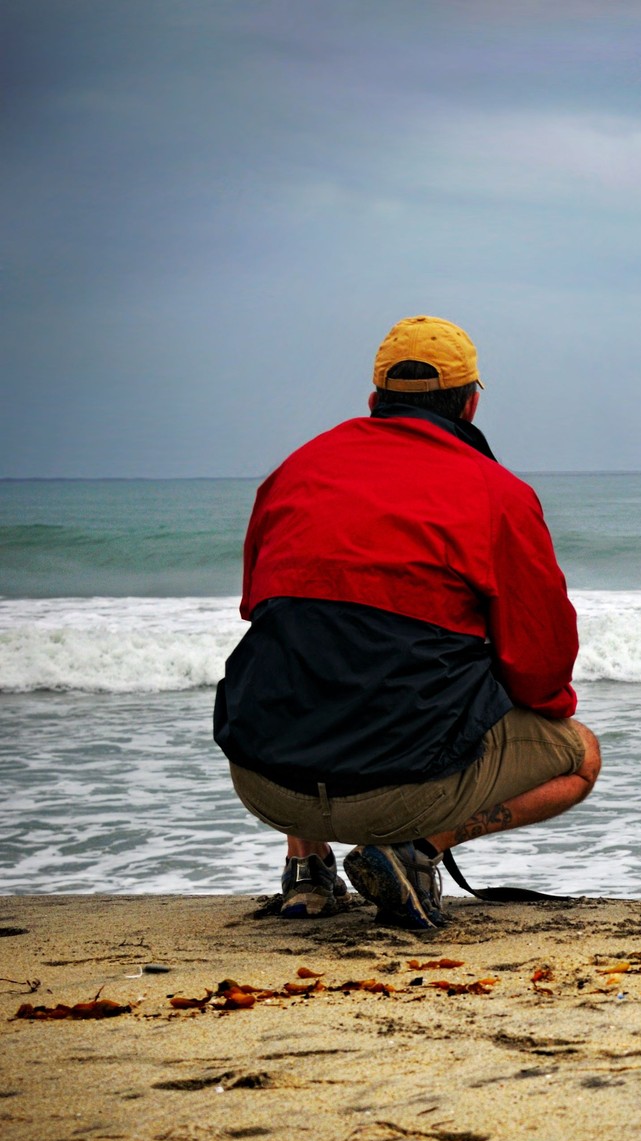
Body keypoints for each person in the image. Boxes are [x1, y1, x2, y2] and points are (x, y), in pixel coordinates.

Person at [213, 316, 600, 929]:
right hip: (402, 792)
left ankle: (308, 873)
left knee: (299, 652)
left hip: (265, 780)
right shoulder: (497, 493)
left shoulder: (294, 472)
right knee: (581, 757)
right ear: (471, 403)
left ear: (373, 401)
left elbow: (258, 607)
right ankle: (415, 851)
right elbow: (541, 666)